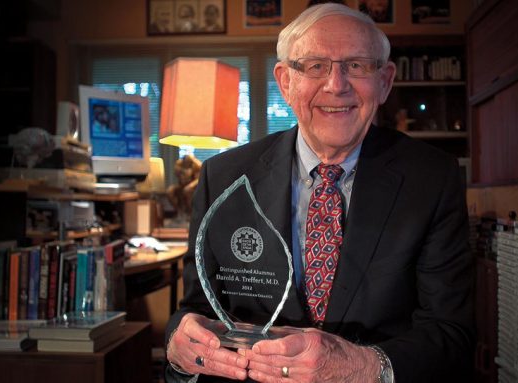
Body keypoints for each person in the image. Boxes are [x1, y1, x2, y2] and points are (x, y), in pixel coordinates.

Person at [165, 3, 474, 382]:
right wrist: (179, 349)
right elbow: (195, 311)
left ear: (385, 81)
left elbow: (451, 333)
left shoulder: (432, 178)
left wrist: (362, 368)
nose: (336, 84)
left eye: (357, 65)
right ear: (285, 82)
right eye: (315, 66)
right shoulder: (222, 176)